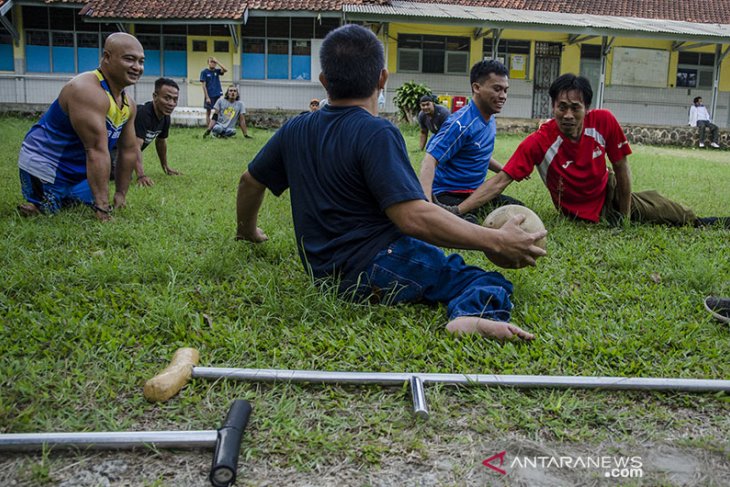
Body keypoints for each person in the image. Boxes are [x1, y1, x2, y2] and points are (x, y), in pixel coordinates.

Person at [236, 24, 546, 341]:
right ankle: (472, 317)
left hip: (322, 274)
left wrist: (247, 230)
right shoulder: (377, 132)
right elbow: (413, 217)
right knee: (487, 282)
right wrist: (495, 240)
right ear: (382, 79)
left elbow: (250, 181)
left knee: (430, 254)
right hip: (374, 266)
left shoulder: (295, 129)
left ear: (324, 82)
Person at [459, 74, 730, 228]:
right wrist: (458, 210)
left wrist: (622, 218)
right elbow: (499, 181)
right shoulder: (538, 142)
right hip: (576, 212)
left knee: (667, 212)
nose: (567, 114)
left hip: (608, 191)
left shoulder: (604, 121)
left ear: (586, 108)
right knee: (652, 210)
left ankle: (708, 222)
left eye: (574, 107)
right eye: (561, 106)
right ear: (552, 106)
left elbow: (622, 168)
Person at [17, 33, 143, 221]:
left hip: (78, 169)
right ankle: (40, 203)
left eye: (141, 61)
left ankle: (55, 199)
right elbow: (95, 150)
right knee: (51, 210)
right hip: (46, 163)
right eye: (129, 59)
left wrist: (120, 194)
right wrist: (102, 208)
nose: (137, 67)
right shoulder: (86, 90)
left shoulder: (128, 104)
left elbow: (129, 150)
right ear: (107, 57)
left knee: (78, 200)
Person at [419, 60, 523, 224]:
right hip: (447, 194)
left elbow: (478, 154)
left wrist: (505, 170)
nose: (503, 96)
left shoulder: (489, 118)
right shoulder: (460, 124)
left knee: (519, 210)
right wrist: (426, 204)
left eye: (505, 90)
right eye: (497, 89)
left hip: (475, 194)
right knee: (470, 223)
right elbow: (430, 159)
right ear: (477, 88)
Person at [132, 77, 181, 187]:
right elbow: (134, 146)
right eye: (167, 98)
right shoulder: (142, 113)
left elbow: (161, 142)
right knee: (115, 173)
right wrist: (141, 176)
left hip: (127, 157)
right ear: (155, 97)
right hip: (114, 152)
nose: (171, 103)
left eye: (175, 99)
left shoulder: (165, 117)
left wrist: (165, 167)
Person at [200, 56, 227, 126]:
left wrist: (218, 62)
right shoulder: (204, 72)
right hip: (209, 95)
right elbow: (203, 85)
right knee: (208, 112)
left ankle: (217, 127)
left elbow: (225, 70)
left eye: (214, 62)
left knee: (218, 111)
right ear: (208, 63)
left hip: (218, 94)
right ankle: (209, 129)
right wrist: (207, 97)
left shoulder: (216, 71)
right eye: (211, 62)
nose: (213, 63)